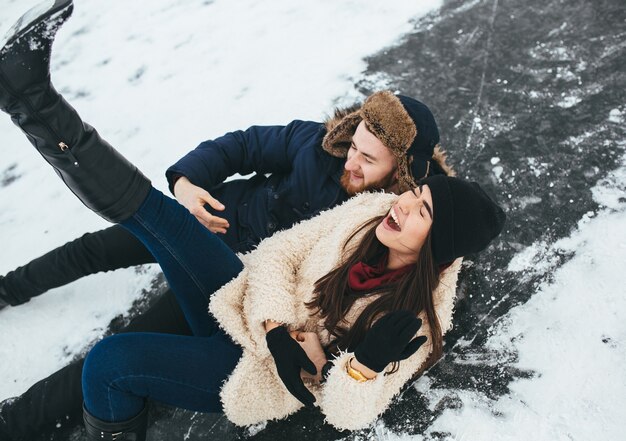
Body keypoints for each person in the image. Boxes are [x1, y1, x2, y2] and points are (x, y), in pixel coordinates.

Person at [0, 1, 505, 440]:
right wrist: (188, 184)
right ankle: (31, 99)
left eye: (369, 160)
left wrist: (359, 369)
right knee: (136, 223)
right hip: (231, 255)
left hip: (248, 339)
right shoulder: (345, 181)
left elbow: (346, 408)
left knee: (116, 353)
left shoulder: (412, 314)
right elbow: (265, 211)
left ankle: (20, 422)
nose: (352, 161)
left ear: (402, 170)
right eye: (354, 145)